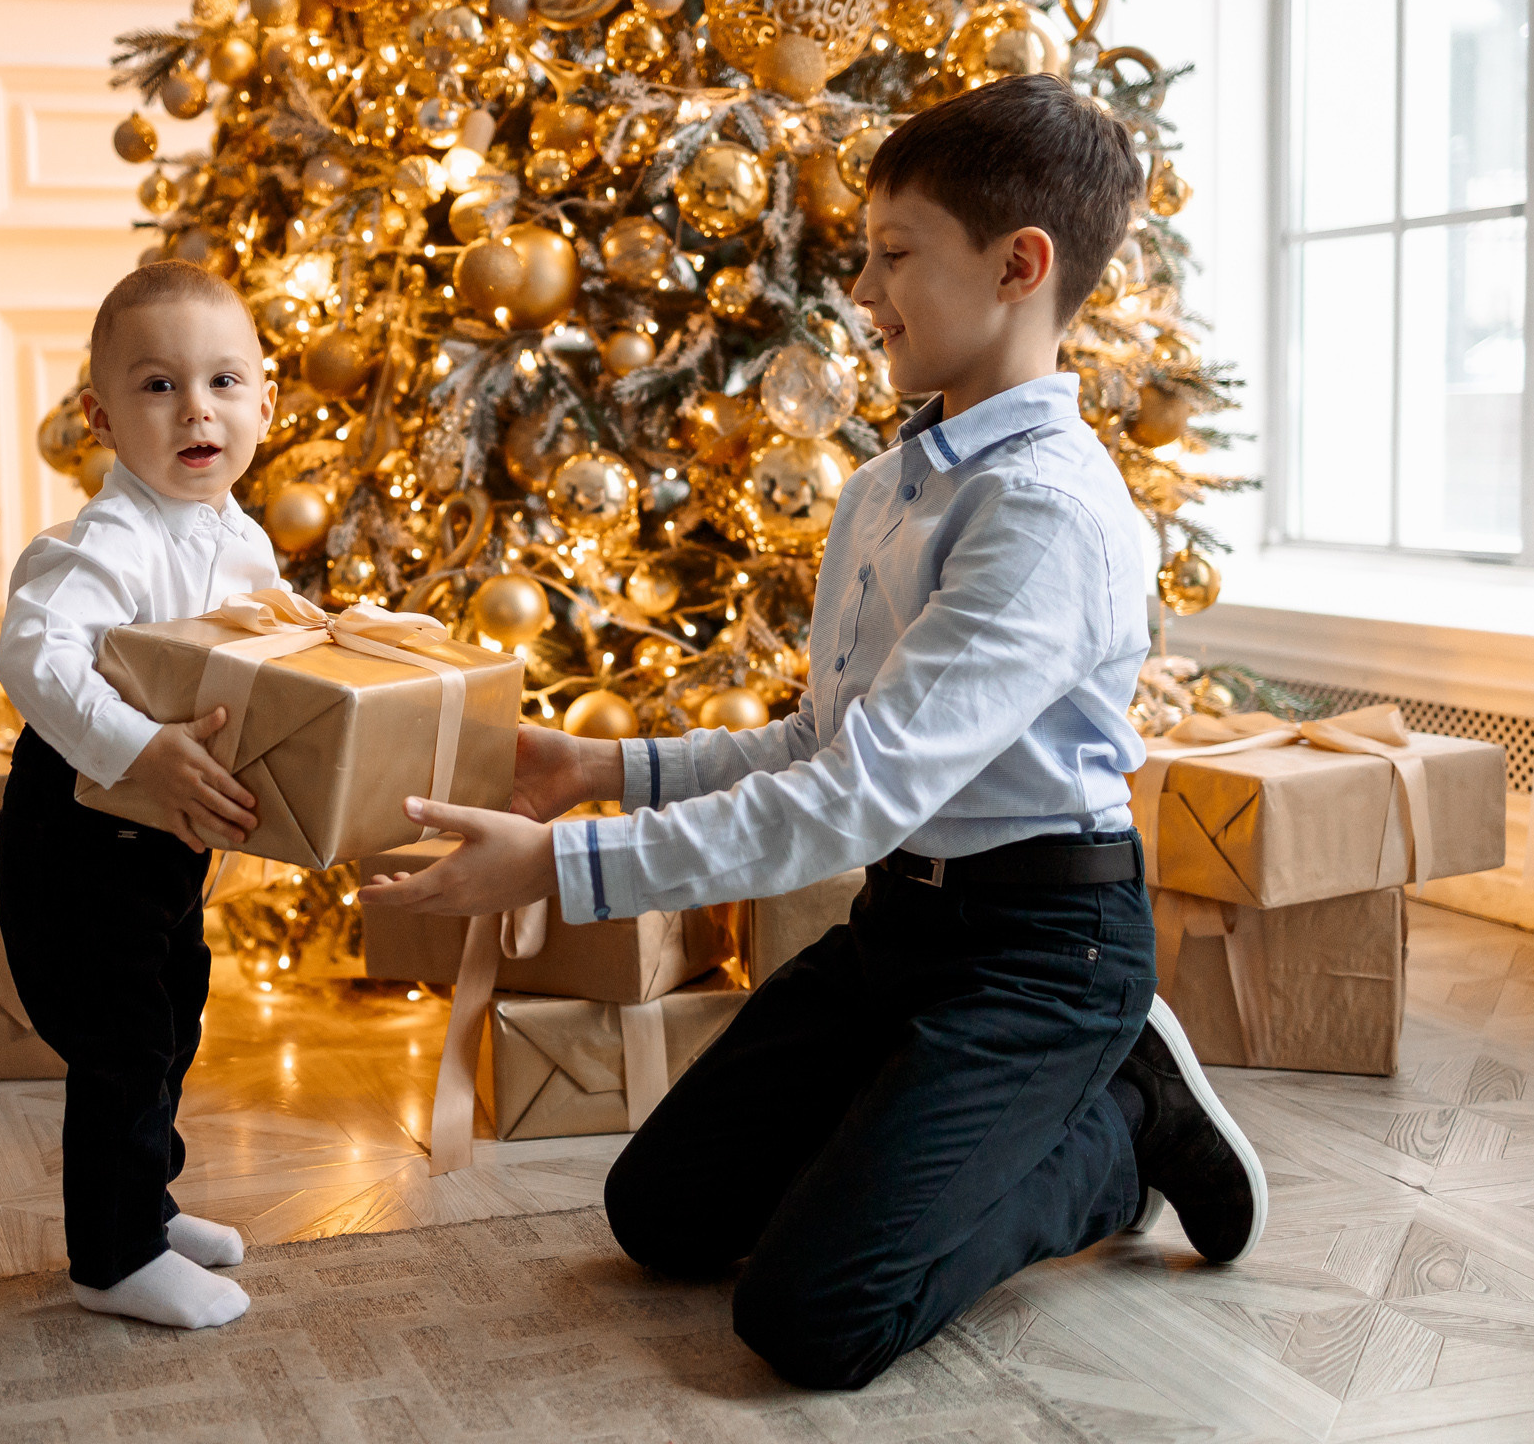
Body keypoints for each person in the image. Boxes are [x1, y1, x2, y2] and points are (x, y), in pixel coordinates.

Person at [359, 74, 1266, 1390]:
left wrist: (563, 869)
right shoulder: (890, 486)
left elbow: (852, 803)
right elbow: (821, 743)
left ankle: (1122, 1130)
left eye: (896, 254)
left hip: (1043, 951)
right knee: (659, 1219)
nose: (861, 285)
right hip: (901, 932)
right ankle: (934, 1119)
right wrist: (596, 768)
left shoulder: (1046, 519)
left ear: (1020, 266)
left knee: (814, 1319)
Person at [0, 259, 278, 1331]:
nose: (195, 409)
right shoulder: (108, 541)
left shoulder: (239, 538)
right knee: (124, 1035)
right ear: (101, 415)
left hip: (161, 835)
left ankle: (145, 1202)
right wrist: (140, 749)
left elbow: (271, 637)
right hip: (80, 825)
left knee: (177, 1008)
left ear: (265, 398)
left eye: (221, 382)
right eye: (158, 386)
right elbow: (36, 657)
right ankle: (111, 1256)